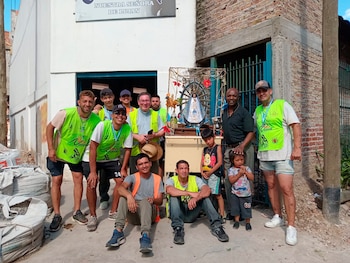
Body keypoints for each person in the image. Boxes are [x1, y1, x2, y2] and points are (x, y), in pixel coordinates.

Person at [253, 80, 302, 246]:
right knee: (271, 186)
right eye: (259, 91)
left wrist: (297, 148)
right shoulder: (258, 111)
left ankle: (291, 227)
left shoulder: (282, 105)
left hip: (283, 155)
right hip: (265, 156)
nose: (262, 93)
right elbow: (258, 131)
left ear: (270, 91)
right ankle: (277, 216)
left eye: (264, 90)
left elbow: (295, 125)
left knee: (286, 189)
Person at [46, 90, 100, 232]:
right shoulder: (66, 113)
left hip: (76, 155)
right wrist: (51, 148)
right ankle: (57, 215)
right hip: (58, 153)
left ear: (93, 102)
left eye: (90, 101)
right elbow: (49, 128)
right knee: (57, 180)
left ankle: (77, 211)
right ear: (79, 102)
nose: (87, 104)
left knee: (78, 179)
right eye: (85, 101)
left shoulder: (96, 120)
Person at [82, 104, 132, 231]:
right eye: (117, 113)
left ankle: (113, 211)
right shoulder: (103, 125)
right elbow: (93, 147)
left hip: (111, 159)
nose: (120, 116)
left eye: (123, 114)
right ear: (112, 115)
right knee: (92, 183)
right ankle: (93, 216)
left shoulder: (127, 128)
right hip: (93, 157)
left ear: (125, 117)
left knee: (121, 181)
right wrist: (93, 172)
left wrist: (123, 168)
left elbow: (127, 150)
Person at [105, 153, 164, 254]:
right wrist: (129, 196)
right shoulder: (132, 177)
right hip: (134, 212)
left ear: (150, 164)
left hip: (149, 214)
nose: (144, 166)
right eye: (141, 164)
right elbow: (120, 188)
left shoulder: (157, 178)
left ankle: (145, 236)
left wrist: (153, 200)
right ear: (137, 167)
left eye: (146, 163)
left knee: (145, 201)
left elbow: (160, 200)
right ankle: (118, 232)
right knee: (123, 197)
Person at [166, 160, 229, 245]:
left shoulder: (195, 179)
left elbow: (207, 190)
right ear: (176, 170)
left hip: (192, 212)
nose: (184, 171)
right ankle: (178, 229)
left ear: (189, 170)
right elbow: (170, 190)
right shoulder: (172, 180)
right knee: (173, 197)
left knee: (204, 198)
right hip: (178, 213)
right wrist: (189, 193)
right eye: (181, 168)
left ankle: (217, 227)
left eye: (186, 168)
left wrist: (197, 198)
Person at [222, 87, 254, 220]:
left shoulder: (243, 112)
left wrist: (242, 145)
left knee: (245, 180)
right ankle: (233, 210)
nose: (231, 98)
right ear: (225, 97)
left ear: (238, 97)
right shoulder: (224, 112)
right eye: (229, 96)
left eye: (234, 96)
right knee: (229, 180)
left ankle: (245, 211)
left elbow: (251, 132)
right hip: (230, 149)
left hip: (243, 149)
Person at [127, 92, 165, 175]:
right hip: (136, 151)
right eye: (142, 101)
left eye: (147, 100)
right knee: (136, 178)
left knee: (152, 177)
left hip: (152, 152)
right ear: (138, 102)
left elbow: (163, 129)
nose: (145, 103)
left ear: (150, 102)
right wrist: (137, 137)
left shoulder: (155, 115)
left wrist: (155, 135)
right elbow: (125, 132)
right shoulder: (131, 115)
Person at [92, 88, 116, 211]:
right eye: (105, 98)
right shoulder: (99, 112)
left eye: (109, 97)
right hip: (103, 148)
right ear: (102, 99)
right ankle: (104, 198)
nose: (108, 100)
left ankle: (120, 198)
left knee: (119, 176)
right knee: (104, 175)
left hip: (117, 147)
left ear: (113, 97)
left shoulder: (119, 109)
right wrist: (94, 109)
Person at [200, 128, 225, 221]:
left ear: (213, 137)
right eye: (205, 140)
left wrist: (210, 172)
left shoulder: (217, 147)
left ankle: (222, 214)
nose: (208, 142)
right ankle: (209, 212)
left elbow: (219, 162)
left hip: (214, 175)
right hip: (205, 175)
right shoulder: (205, 149)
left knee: (217, 194)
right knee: (206, 193)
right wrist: (202, 172)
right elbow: (201, 161)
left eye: (209, 139)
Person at [227, 151, 254, 231]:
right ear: (232, 161)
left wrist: (245, 172)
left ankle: (248, 222)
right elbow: (231, 180)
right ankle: (237, 221)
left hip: (246, 194)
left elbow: (252, 178)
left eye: (241, 160)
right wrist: (239, 174)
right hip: (235, 193)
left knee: (247, 208)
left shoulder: (247, 168)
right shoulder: (231, 170)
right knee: (236, 208)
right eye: (237, 160)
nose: (240, 162)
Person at [151, 94, 170, 178]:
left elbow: (169, 124)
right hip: (151, 140)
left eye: (156, 101)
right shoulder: (148, 112)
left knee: (161, 160)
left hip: (162, 139)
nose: (155, 103)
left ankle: (159, 179)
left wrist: (162, 133)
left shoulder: (164, 112)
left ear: (159, 102)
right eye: (153, 101)